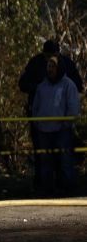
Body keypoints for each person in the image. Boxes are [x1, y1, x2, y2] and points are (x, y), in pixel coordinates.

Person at [31, 56, 80, 195]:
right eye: (49, 66)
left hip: (61, 131)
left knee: (64, 161)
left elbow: (73, 107)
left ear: (59, 68)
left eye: (53, 67)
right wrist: (36, 121)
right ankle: (47, 189)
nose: (50, 69)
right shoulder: (42, 86)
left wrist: (66, 124)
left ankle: (67, 189)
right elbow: (36, 106)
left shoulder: (68, 85)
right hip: (43, 131)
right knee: (45, 162)